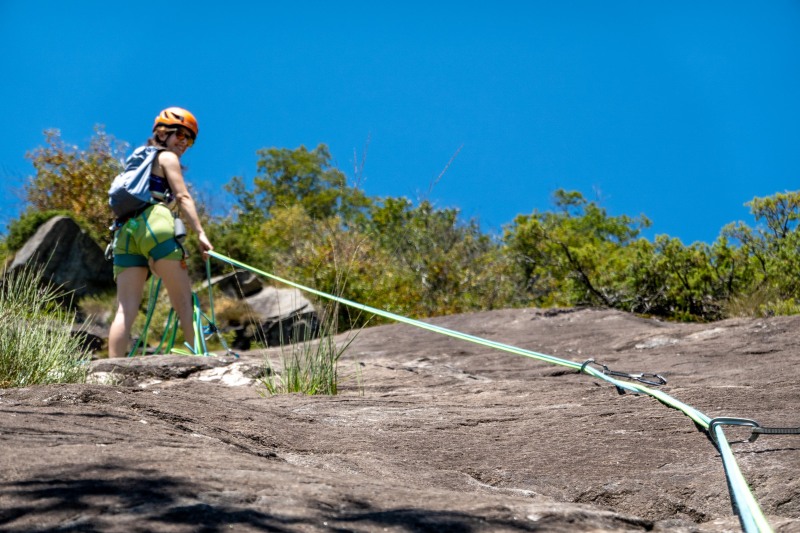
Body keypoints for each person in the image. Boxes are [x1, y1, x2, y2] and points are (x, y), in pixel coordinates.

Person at [108, 107, 213, 357]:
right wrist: (200, 233)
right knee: (184, 303)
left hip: (124, 233)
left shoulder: (135, 163)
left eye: (188, 139)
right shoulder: (166, 157)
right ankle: (201, 359)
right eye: (180, 135)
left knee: (125, 309)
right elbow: (182, 196)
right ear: (163, 133)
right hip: (156, 224)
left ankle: (109, 372)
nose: (184, 143)